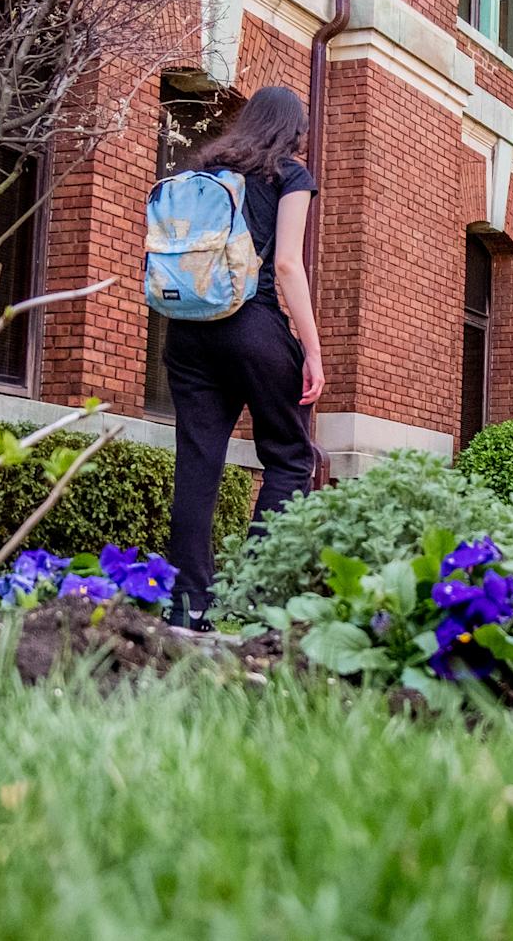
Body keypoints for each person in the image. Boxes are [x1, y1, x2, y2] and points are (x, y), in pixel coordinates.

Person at [160, 86, 324, 631]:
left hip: (187, 330)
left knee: (197, 462)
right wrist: (312, 350)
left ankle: (187, 603)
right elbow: (288, 266)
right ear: (293, 129)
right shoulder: (289, 175)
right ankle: (251, 595)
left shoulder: (204, 169)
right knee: (290, 456)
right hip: (251, 324)